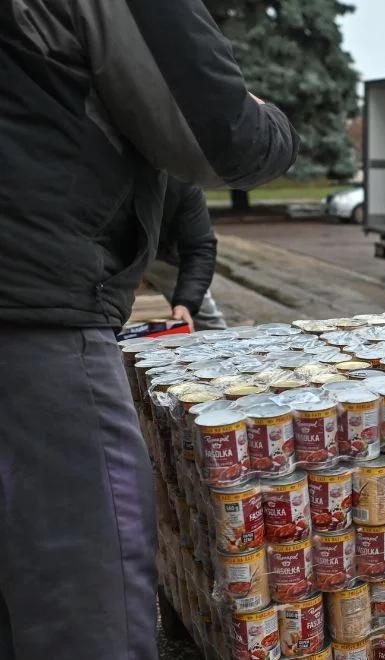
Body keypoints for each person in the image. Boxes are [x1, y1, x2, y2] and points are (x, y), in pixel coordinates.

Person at [0, 1, 297, 657]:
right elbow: (219, 132)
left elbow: (198, 247)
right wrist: (272, 121)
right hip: (34, 322)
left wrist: (187, 304)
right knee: (85, 608)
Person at [143, 179, 228, 331]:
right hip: (108, 254)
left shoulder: (182, 182)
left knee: (208, 322)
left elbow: (199, 247)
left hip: (160, 257)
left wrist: (186, 302)